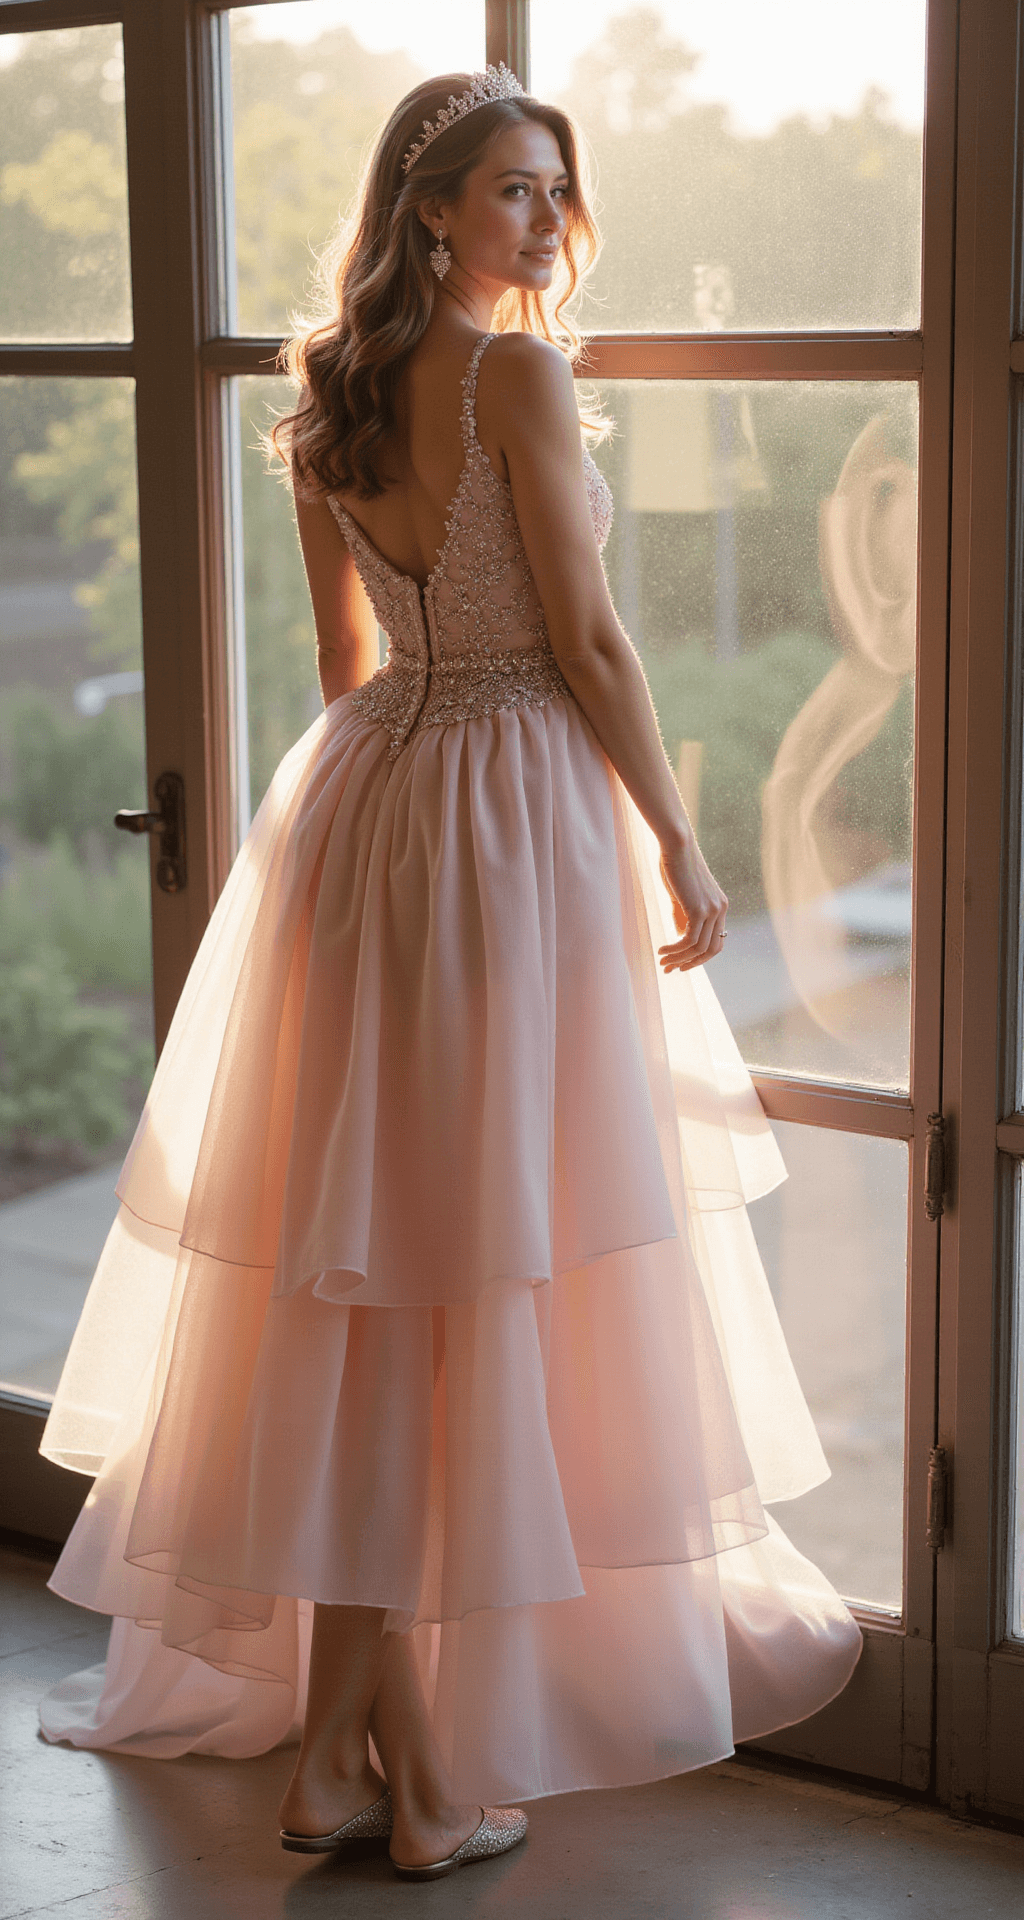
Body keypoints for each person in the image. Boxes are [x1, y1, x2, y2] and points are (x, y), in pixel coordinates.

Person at [37, 65, 862, 1883]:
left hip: (366, 806)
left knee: (383, 1269)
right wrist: (677, 836)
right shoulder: (518, 373)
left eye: (556, 190)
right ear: (429, 206)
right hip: (508, 822)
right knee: (461, 1268)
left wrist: (380, 843)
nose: (542, 220)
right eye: (508, 188)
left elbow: (346, 665)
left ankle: (339, 1756)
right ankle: (416, 1783)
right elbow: (585, 635)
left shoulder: (331, 389)